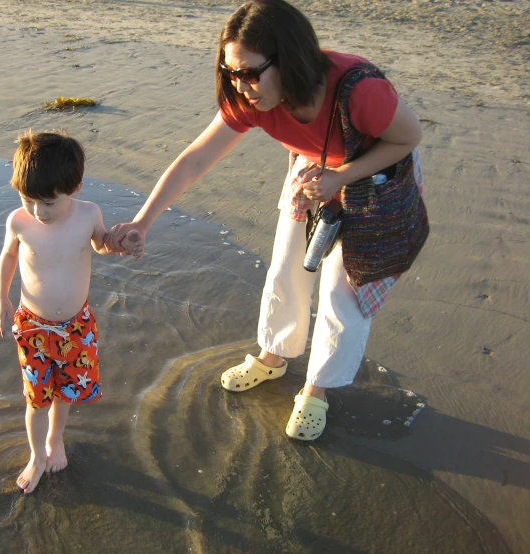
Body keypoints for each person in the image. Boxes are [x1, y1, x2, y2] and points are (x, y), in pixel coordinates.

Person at [105, 0, 423, 441]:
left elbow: (408, 138)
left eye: (250, 72)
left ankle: (317, 389)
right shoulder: (250, 98)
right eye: (230, 72)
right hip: (314, 171)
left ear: (289, 58)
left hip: (372, 176)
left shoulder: (360, 89)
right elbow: (196, 159)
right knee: (287, 266)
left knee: (340, 290)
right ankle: (274, 356)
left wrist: (343, 176)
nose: (241, 85)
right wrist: (142, 222)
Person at [0, 130, 141, 494]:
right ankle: (36, 456)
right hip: (33, 327)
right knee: (37, 397)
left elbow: (101, 244)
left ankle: (55, 440)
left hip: (76, 326)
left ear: (74, 188)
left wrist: (120, 244)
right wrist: (1, 298)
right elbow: (9, 256)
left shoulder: (88, 214)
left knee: (65, 393)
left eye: (48, 203)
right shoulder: (19, 222)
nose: (38, 211)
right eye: (28, 200)